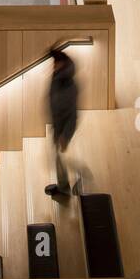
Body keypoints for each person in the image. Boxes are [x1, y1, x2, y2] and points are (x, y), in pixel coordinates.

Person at [43, 48, 81, 199]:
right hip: (57, 126)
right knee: (57, 157)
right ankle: (63, 185)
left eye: (55, 63)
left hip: (64, 129)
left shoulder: (69, 86)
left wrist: (65, 136)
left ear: (62, 64)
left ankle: (81, 177)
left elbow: (73, 116)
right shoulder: (57, 77)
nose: (52, 66)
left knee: (62, 157)